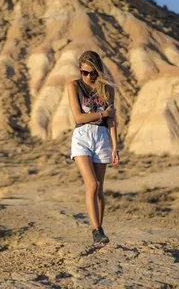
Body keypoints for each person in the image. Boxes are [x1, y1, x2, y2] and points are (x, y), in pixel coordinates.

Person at [66, 50, 119, 245]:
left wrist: (115, 147)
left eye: (92, 73)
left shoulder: (107, 89)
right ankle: (96, 230)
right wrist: (102, 114)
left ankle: (100, 231)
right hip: (82, 137)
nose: (88, 76)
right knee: (92, 184)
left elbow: (112, 119)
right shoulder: (74, 86)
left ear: (98, 71)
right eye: (84, 72)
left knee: (100, 189)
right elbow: (78, 117)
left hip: (102, 137)